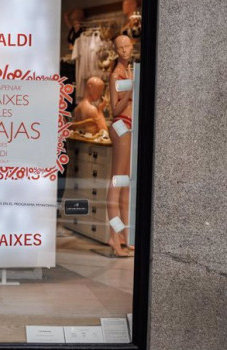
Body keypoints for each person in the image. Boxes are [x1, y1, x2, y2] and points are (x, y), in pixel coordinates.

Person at [107, 35, 134, 257]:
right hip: (121, 126)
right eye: (120, 47)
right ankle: (114, 238)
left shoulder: (129, 70)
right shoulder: (117, 73)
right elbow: (115, 109)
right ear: (116, 50)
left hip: (129, 126)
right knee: (117, 182)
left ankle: (124, 235)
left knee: (125, 183)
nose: (124, 50)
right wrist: (131, 93)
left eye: (127, 46)